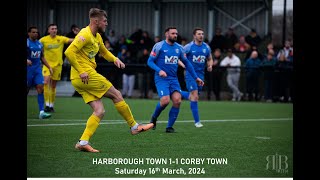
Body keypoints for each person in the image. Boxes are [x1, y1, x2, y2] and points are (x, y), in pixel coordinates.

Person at [64, 8, 154, 153]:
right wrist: (81, 71)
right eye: (104, 21)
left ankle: (83, 141)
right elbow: (68, 52)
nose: (106, 24)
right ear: (96, 21)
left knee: (99, 111)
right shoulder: (84, 34)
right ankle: (134, 126)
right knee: (116, 94)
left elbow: (104, 52)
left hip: (80, 79)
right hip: (85, 75)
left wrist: (115, 59)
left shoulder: (97, 36)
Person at [147, 26, 204, 133]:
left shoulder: (179, 48)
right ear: (166, 34)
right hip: (161, 78)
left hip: (173, 79)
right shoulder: (159, 46)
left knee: (177, 101)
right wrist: (159, 70)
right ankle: (153, 118)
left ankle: (169, 127)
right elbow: (150, 61)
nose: (175, 35)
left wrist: (196, 77)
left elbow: (187, 63)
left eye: (176, 34)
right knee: (165, 101)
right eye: (173, 33)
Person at [178, 27, 213, 128]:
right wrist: (183, 65)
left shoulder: (206, 47)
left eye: (202, 34)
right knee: (195, 96)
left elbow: (210, 59)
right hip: (190, 74)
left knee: (192, 96)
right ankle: (197, 122)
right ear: (194, 36)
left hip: (201, 75)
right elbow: (178, 58)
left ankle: (176, 92)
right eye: (199, 34)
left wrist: (210, 65)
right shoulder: (188, 47)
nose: (201, 35)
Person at [40, 24, 74, 112]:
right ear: (48, 31)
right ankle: (47, 105)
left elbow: (72, 41)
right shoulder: (43, 40)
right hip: (47, 65)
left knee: (53, 86)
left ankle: (51, 105)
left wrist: (80, 36)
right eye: (52, 29)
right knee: (46, 83)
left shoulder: (60, 39)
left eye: (55, 28)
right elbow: (36, 47)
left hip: (58, 65)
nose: (54, 30)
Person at [27, 26, 53, 119]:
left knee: (40, 88)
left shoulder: (39, 44)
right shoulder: (27, 42)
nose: (35, 34)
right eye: (33, 32)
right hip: (28, 70)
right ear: (29, 33)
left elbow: (42, 57)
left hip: (37, 70)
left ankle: (41, 112)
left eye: (36, 32)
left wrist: (49, 67)